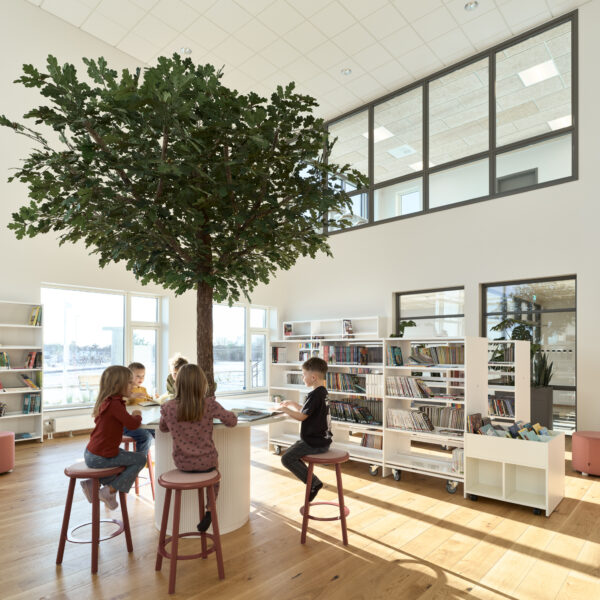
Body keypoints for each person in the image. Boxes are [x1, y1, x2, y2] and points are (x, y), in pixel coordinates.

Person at [159, 363, 237, 532]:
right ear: (202, 384)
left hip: (182, 464)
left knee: (213, 471)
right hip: (207, 463)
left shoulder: (168, 407)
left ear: (177, 384)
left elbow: (163, 428)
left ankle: (208, 510)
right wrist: (232, 413)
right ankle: (210, 509)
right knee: (215, 476)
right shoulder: (209, 404)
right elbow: (231, 422)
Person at [82, 365, 147, 510]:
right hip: (100, 457)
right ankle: (110, 490)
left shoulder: (108, 401)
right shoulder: (115, 404)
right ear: (118, 385)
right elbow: (132, 425)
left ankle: (93, 483)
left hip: (92, 453)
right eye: (129, 382)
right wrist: (137, 415)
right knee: (140, 459)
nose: (133, 385)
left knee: (126, 459)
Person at [279, 357, 332, 502]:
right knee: (292, 450)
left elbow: (302, 417)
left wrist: (284, 410)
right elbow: (307, 411)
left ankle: (314, 482)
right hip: (323, 440)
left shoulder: (314, 395)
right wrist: (292, 404)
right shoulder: (322, 393)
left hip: (314, 443)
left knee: (286, 458)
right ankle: (312, 481)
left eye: (303, 375)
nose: (302, 378)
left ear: (313, 377)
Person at [123, 362, 155, 456]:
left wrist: (154, 399)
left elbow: (148, 399)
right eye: (138, 376)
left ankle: (163, 456)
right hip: (129, 421)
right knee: (146, 435)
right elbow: (122, 402)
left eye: (143, 376)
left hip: (142, 419)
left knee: (157, 431)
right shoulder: (125, 389)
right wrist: (131, 397)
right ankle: (140, 459)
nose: (141, 379)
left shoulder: (143, 389)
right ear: (129, 376)